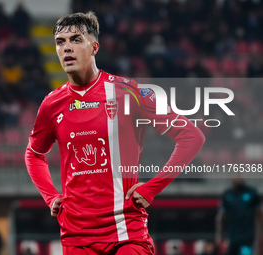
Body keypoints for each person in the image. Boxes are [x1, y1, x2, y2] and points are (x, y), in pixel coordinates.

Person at [25, 12, 205, 255]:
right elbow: (34, 154)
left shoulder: (128, 92)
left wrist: (152, 187)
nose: (67, 47)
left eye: (76, 40)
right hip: (76, 238)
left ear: (94, 47)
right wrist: (50, 196)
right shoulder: (51, 104)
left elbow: (191, 136)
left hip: (125, 234)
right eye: (60, 42)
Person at [216, 175, 262, 255]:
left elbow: (259, 215)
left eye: (239, 176)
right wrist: (219, 234)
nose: (238, 178)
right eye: (235, 176)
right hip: (231, 236)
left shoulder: (252, 193)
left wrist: (261, 232)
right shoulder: (227, 195)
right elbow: (221, 217)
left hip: (247, 236)